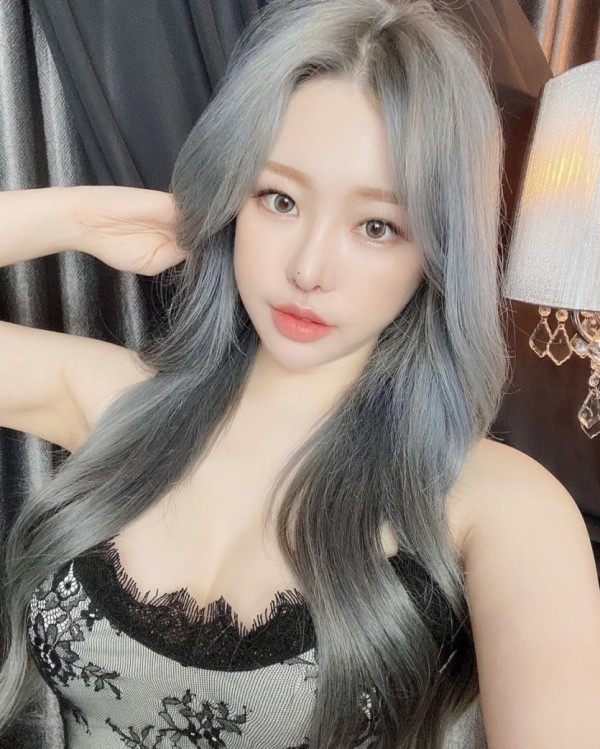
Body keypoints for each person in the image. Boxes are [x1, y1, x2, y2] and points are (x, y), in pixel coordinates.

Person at [1, 0, 599, 746]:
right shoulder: (116, 401)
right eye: (279, 198)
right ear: (233, 200)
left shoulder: (500, 506)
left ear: (436, 252)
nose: (309, 269)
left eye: (377, 226)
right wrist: (77, 218)